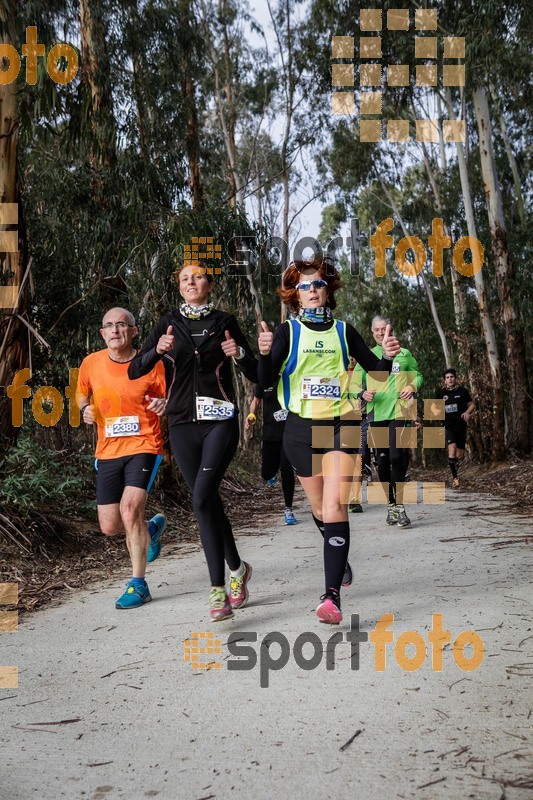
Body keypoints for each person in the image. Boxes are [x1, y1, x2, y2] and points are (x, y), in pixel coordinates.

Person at [257, 260, 401, 625]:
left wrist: (386, 354)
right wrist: (262, 353)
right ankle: (336, 548)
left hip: (340, 425)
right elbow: (262, 384)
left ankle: (331, 596)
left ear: (328, 290)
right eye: (305, 286)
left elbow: (379, 375)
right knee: (321, 509)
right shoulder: (287, 332)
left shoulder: (343, 331)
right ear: (295, 294)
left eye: (319, 283)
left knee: (336, 504)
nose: (313, 289)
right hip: (300, 430)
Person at [128, 264, 258, 622]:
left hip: (220, 421)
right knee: (208, 501)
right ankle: (238, 568)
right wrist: (157, 349)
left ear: (209, 284)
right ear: (180, 287)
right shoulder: (168, 323)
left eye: (198, 277)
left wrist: (241, 353)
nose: (191, 282)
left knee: (201, 498)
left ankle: (218, 593)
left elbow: (257, 374)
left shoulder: (225, 321)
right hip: (183, 423)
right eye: (184, 278)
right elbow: (135, 369)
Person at [77, 307, 167, 610]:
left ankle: (138, 584)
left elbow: (166, 397)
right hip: (107, 450)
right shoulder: (91, 363)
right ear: (102, 333)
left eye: (121, 325)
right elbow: (81, 393)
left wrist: (162, 403)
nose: (115, 330)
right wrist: (84, 409)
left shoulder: (151, 363)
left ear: (133, 331)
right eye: (109, 326)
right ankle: (151, 529)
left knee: (129, 511)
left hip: (144, 444)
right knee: (110, 526)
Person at [361, 315, 423, 529]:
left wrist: (412, 386)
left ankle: (400, 506)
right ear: (373, 333)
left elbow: (418, 375)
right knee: (383, 462)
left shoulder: (403, 353)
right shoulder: (367, 355)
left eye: (384, 329)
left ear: (391, 330)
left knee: (397, 457)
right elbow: (352, 383)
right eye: (377, 330)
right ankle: (390, 505)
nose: (380, 333)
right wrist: (362, 393)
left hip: (400, 412)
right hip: (376, 415)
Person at [245, 381, 297, 526]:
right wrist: (251, 415)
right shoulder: (264, 379)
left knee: (287, 470)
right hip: (270, 432)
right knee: (266, 473)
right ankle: (272, 474)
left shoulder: (291, 376)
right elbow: (256, 401)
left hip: (289, 432)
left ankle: (288, 509)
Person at [433, 368, 475, 488]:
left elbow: (471, 404)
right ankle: (455, 479)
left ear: (455, 378)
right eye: (447, 378)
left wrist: (467, 412)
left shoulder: (462, 391)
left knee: (459, 455)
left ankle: (454, 467)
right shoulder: (441, 394)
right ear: (444, 381)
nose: (450, 379)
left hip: (461, 425)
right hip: (448, 425)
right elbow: (434, 407)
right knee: (452, 449)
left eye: (452, 377)